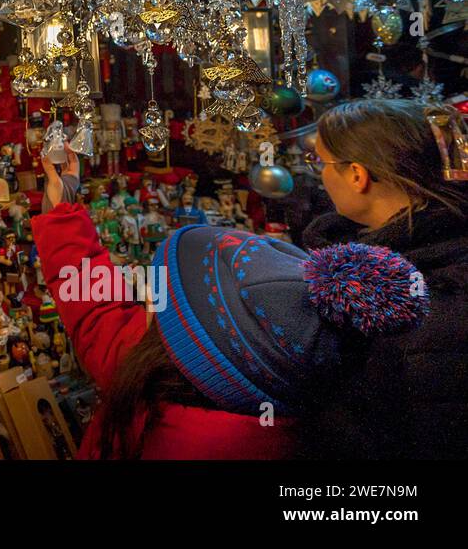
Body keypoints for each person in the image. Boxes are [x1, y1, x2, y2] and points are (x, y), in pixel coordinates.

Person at [32, 144, 429, 459]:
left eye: (158, 297)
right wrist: (63, 211)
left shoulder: (215, 440)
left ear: (194, 346)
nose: (146, 302)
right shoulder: (157, 363)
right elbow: (98, 313)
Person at [300, 98, 468, 459]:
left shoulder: (414, 295)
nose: (322, 176)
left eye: (321, 163)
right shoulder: (444, 253)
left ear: (357, 176)